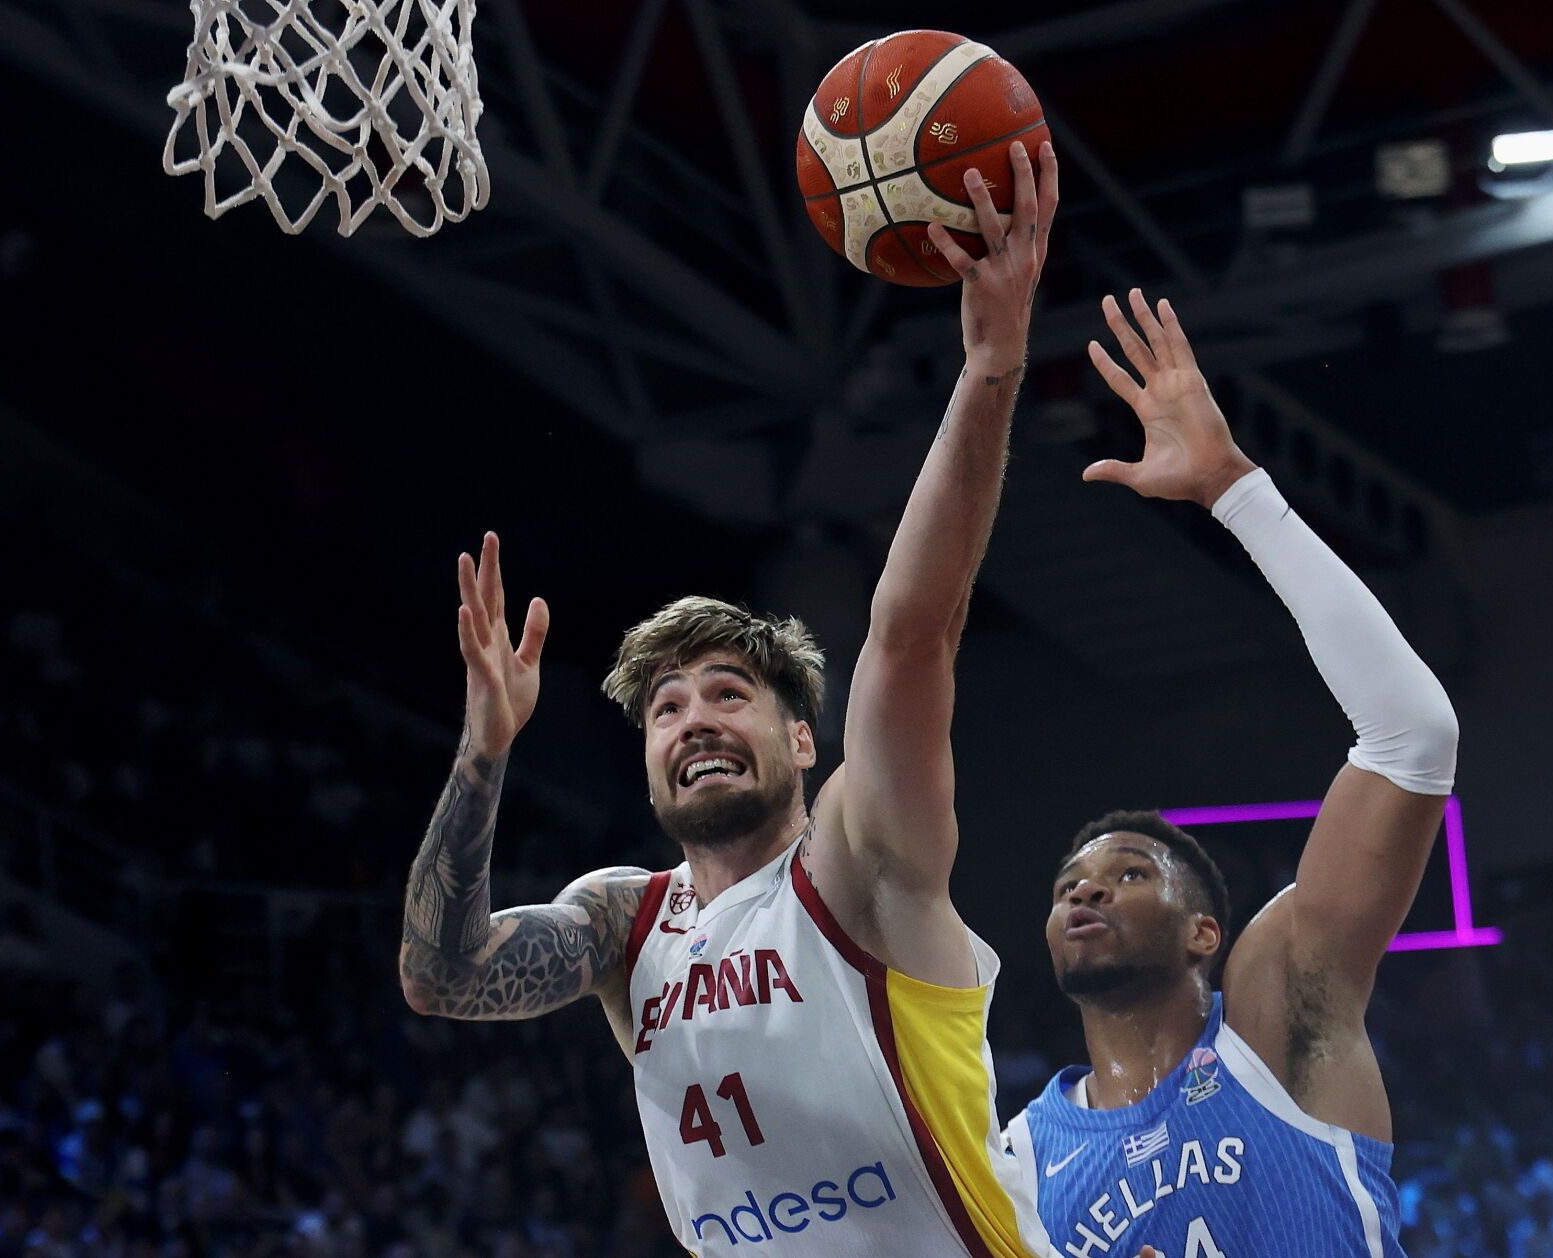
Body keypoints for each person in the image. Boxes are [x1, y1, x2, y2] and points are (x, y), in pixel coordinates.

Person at [399, 142, 1067, 1257]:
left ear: (802, 738)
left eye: (727, 693)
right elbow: (439, 977)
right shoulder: (625, 923)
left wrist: (988, 370)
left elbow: (911, 635)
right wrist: (481, 755)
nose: (694, 719)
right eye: (665, 708)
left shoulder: (857, 860)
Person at [1007, 291, 1459, 1257]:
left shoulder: (1276, 1025)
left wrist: (1234, 491)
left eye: (1130, 873)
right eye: (1069, 884)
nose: (1085, 889)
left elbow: (1412, 738)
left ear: (1203, 932)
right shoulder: (1015, 1161)